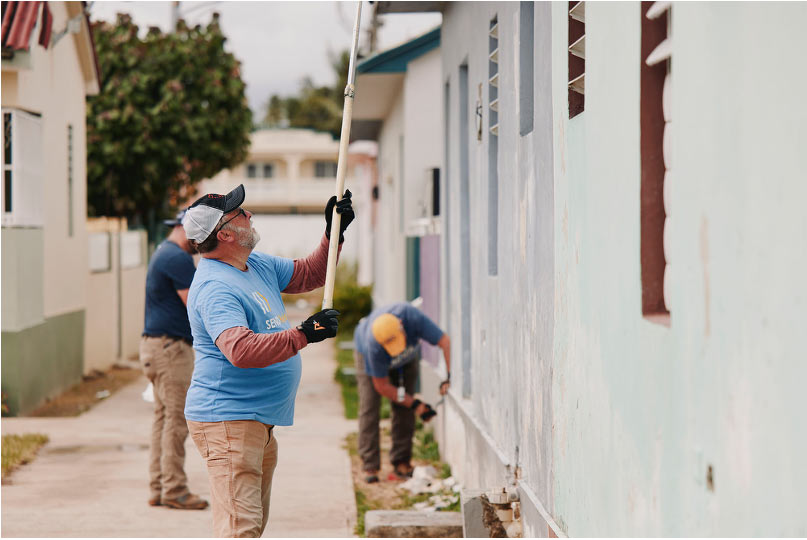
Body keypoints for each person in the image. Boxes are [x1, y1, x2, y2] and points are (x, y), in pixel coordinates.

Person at [182, 184, 354, 538]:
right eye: (240, 212)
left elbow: (309, 274)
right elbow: (240, 350)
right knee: (239, 529)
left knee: (250, 526)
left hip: (254, 422)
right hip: (228, 420)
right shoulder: (215, 288)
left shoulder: (253, 264)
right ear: (225, 233)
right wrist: (304, 334)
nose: (249, 214)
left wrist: (332, 233)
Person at [140, 209, 209, 510]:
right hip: (171, 349)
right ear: (183, 227)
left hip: (156, 346)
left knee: (163, 418)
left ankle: (158, 487)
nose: (200, 241)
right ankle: (174, 489)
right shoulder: (178, 259)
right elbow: (195, 306)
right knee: (177, 421)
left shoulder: (164, 253)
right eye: (197, 233)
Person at [353, 302, 451, 483]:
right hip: (369, 359)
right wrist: (416, 404)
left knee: (404, 407)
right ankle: (370, 465)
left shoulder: (412, 317)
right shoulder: (373, 345)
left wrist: (448, 377)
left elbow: (445, 342)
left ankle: (402, 462)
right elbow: (382, 387)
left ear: (401, 325)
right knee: (370, 407)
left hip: (407, 359)